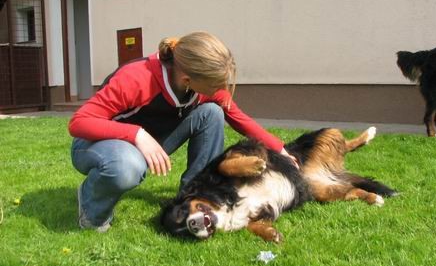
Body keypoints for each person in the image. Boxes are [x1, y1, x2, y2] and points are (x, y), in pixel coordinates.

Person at [69, 31, 297, 232]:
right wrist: (137, 134)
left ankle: (192, 195)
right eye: (218, 85)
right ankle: (92, 207)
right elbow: (79, 122)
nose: (223, 90)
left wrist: (281, 150)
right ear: (188, 79)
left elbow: (239, 119)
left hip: (147, 144)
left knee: (212, 113)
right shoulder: (137, 78)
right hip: (95, 143)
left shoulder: (199, 85)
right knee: (127, 167)